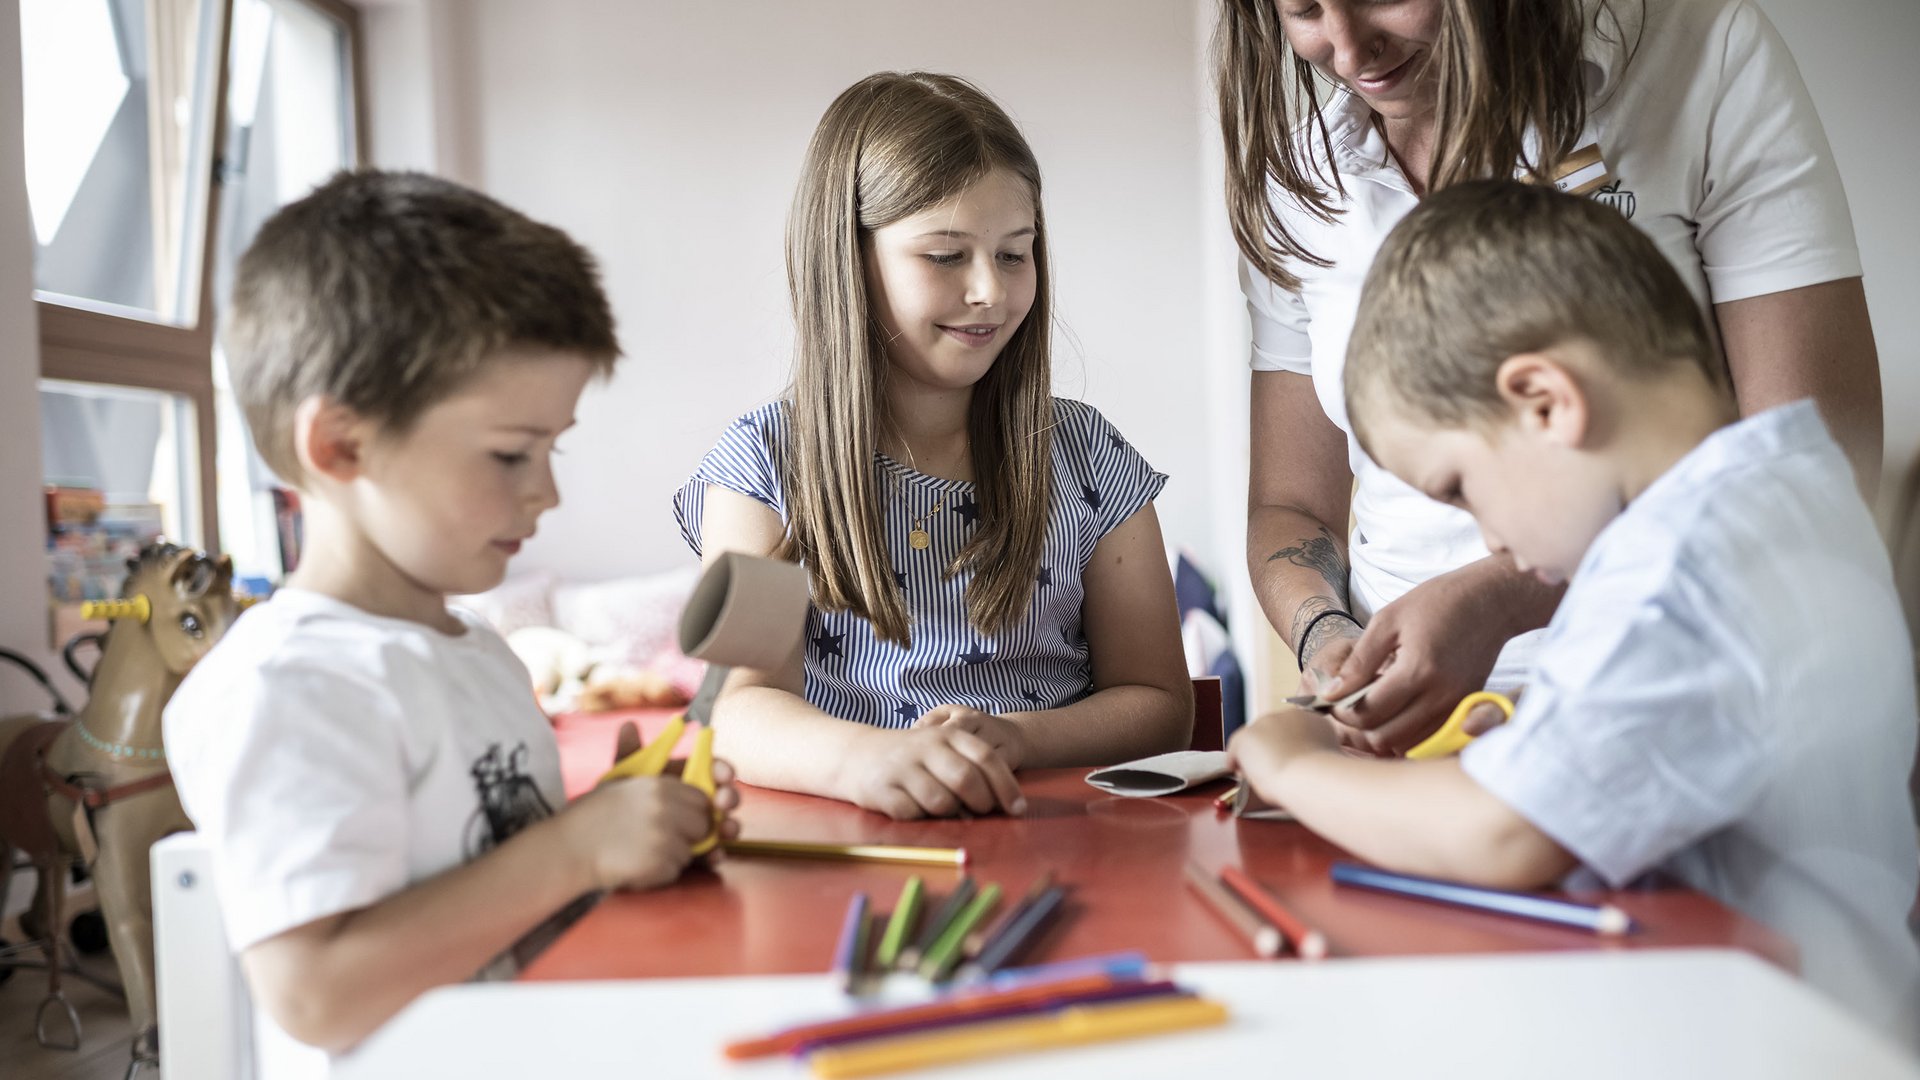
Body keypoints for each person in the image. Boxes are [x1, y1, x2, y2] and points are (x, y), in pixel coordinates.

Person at [1227, 180, 1920, 1043]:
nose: (1492, 541)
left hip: (1761, 1040)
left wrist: (1287, 757)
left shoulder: (1675, 570)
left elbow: (1502, 836)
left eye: (1461, 488)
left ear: (1547, 401)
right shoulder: (1786, 490)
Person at [164, 170, 739, 1073]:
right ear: (342, 446)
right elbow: (315, 993)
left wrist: (629, 822)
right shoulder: (289, 687)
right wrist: (575, 852)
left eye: (554, 448)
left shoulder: (477, 654)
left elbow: (480, 874)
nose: (547, 492)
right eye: (512, 453)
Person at [1218, 0, 1884, 754]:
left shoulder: (1703, 57)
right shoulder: (1299, 181)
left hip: (1660, 683)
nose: (1347, 53)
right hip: (1410, 727)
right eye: (1305, 9)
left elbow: (1814, 468)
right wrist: (1328, 639)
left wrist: (1500, 602)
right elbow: (1289, 502)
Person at [675, 72, 1193, 821]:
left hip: (1057, 840)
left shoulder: (1088, 455)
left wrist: (1019, 737)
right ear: (849, 261)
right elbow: (736, 706)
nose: (990, 289)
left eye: (1015, 254)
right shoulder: (763, 466)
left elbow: (1158, 704)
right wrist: (868, 760)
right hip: (849, 849)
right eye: (947, 256)